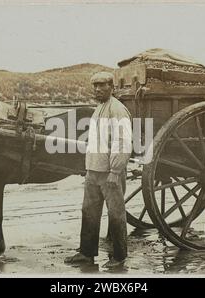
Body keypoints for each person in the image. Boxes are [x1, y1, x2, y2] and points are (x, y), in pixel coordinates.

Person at [64, 71, 132, 268]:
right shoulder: (99, 108)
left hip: (109, 173)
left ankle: (119, 257)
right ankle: (86, 253)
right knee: (89, 211)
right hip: (93, 171)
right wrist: (88, 169)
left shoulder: (117, 110)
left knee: (115, 214)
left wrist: (115, 171)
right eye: (95, 86)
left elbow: (123, 143)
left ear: (112, 87)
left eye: (102, 85)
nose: (98, 89)